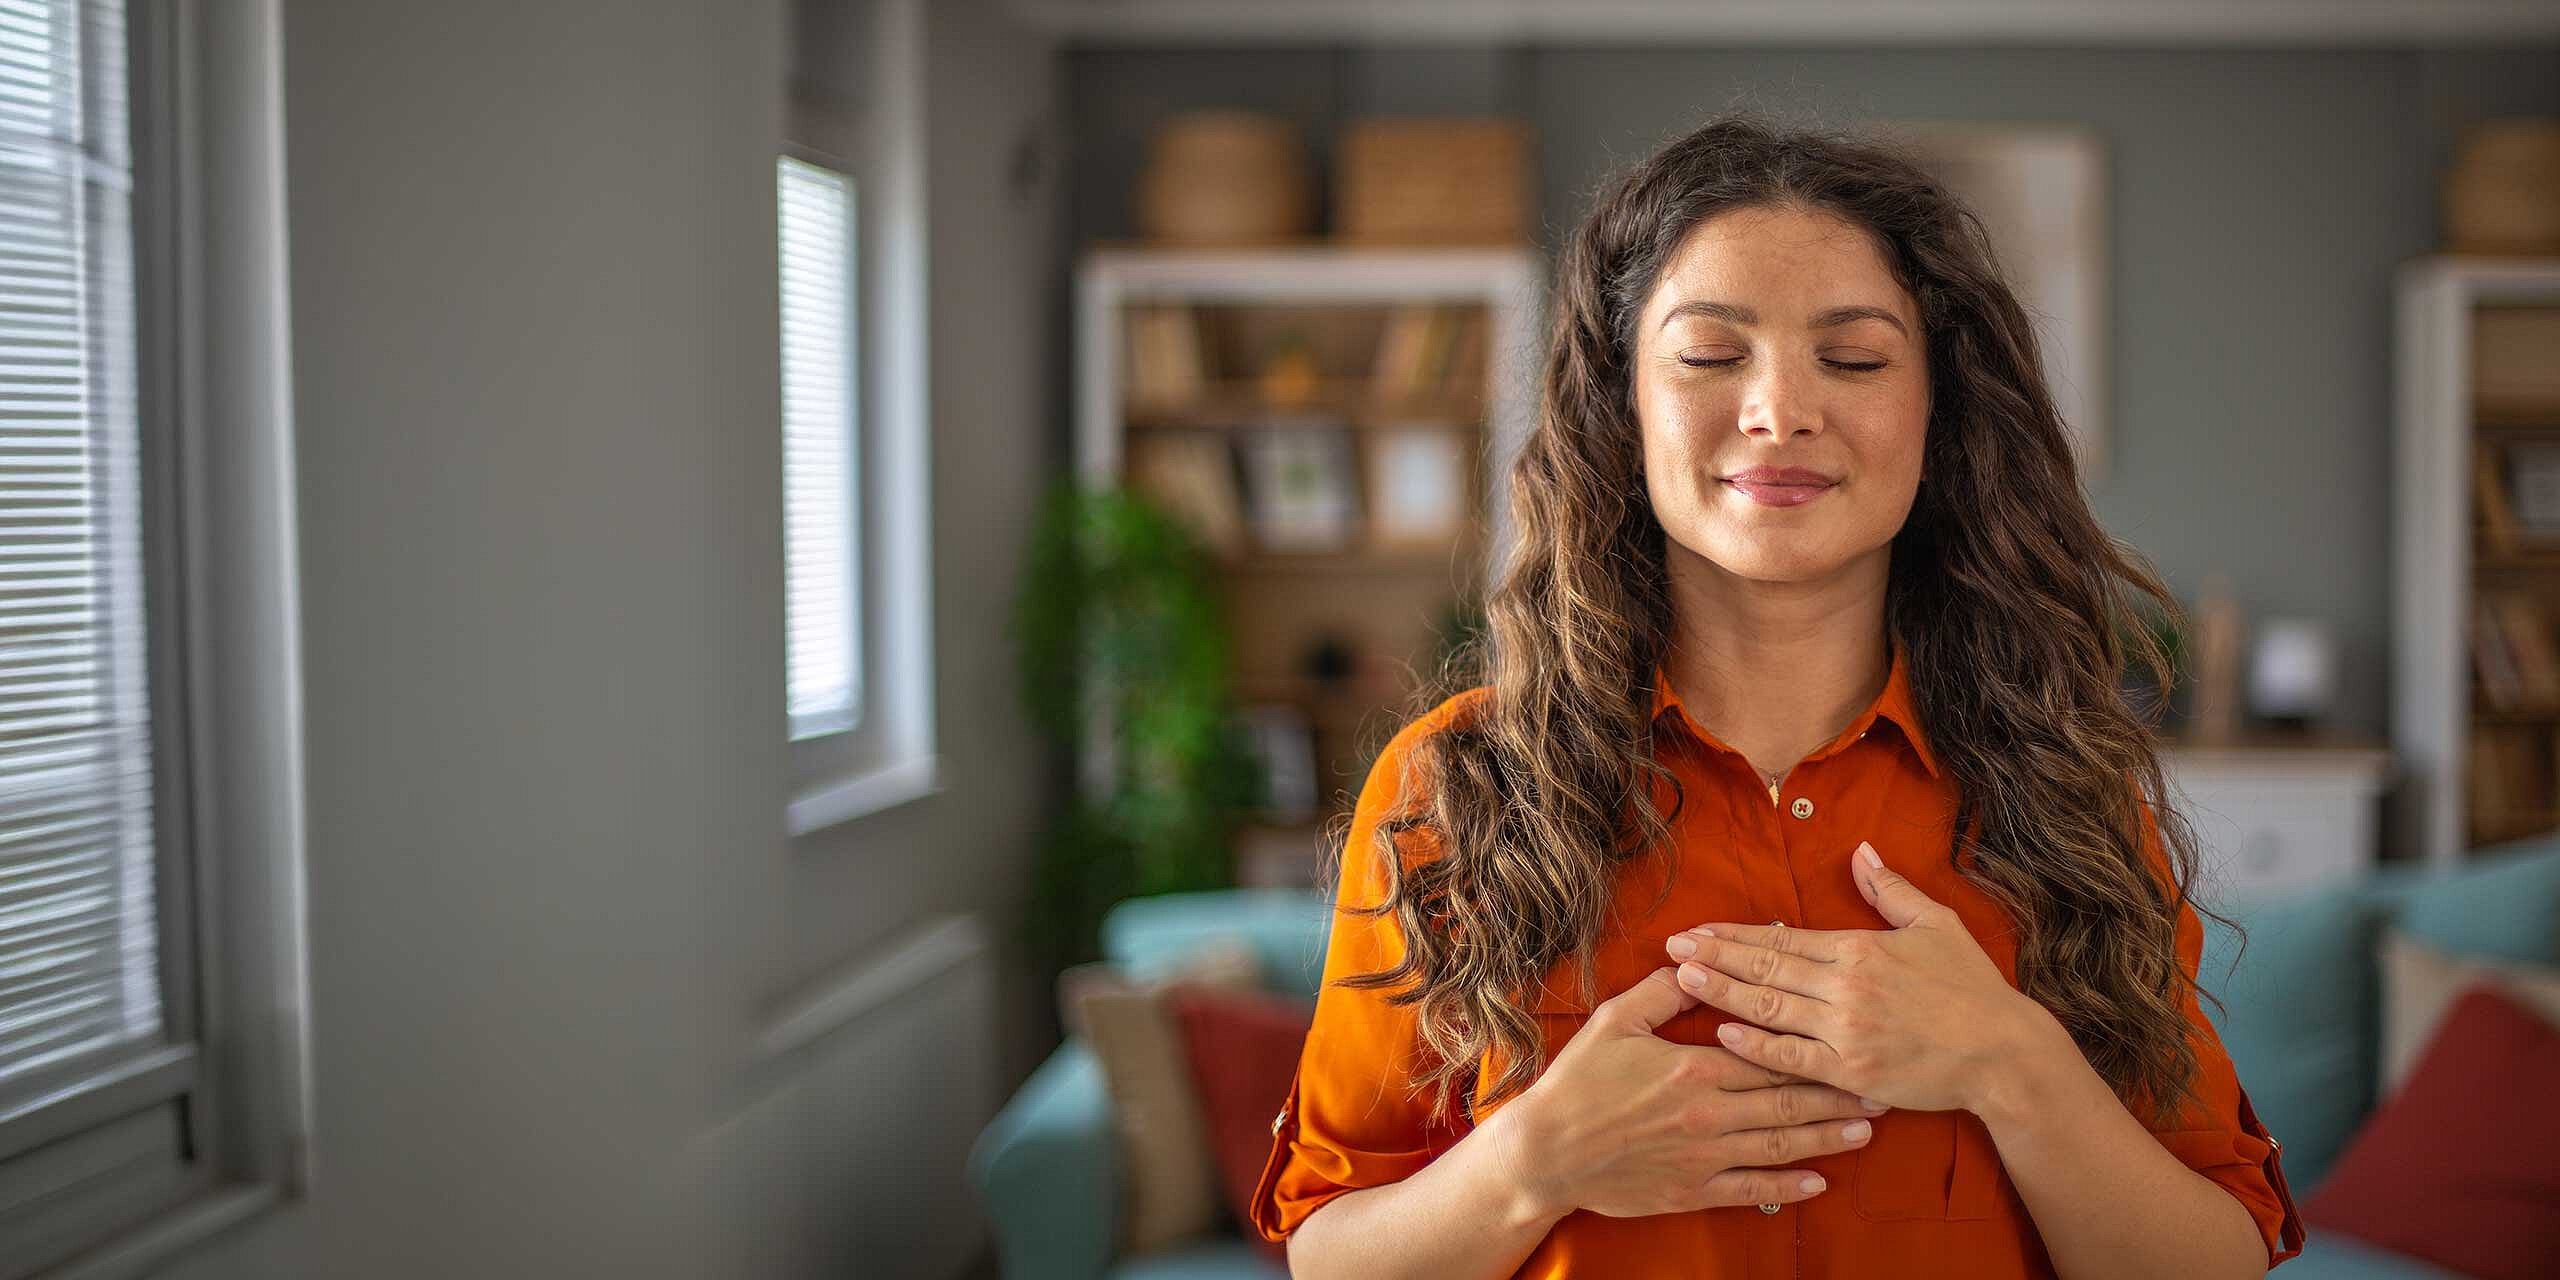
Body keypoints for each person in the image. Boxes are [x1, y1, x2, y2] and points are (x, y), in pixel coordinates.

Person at [1250, 113, 2307, 1279]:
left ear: (1935, 413)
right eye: (1710, 355)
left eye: (1851, 359)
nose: (1780, 410)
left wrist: (2010, 1063)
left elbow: (2216, 1257)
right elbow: (1332, 1255)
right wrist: (1532, 1162)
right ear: (1622, 404)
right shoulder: (1451, 786)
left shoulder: (2069, 793)